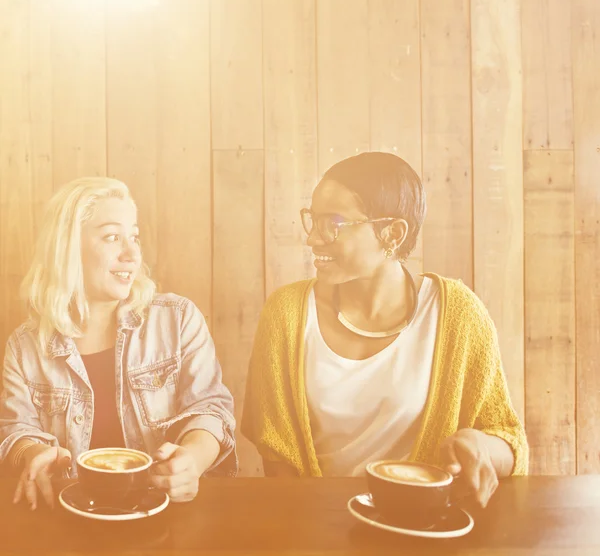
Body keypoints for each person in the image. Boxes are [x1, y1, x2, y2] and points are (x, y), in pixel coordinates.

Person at [242, 152, 528, 508]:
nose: (313, 239)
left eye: (333, 223)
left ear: (392, 233)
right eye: (312, 220)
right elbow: (278, 457)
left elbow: (509, 440)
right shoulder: (285, 314)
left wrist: (481, 446)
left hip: (423, 528)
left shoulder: (458, 315)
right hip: (314, 527)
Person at [0, 177, 236, 509]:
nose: (132, 254)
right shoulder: (24, 346)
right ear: (67, 249)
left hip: (168, 511)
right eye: (113, 237)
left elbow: (211, 409)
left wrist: (193, 461)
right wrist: (34, 454)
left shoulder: (178, 318)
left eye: (134, 237)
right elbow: (16, 427)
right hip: (70, 517)